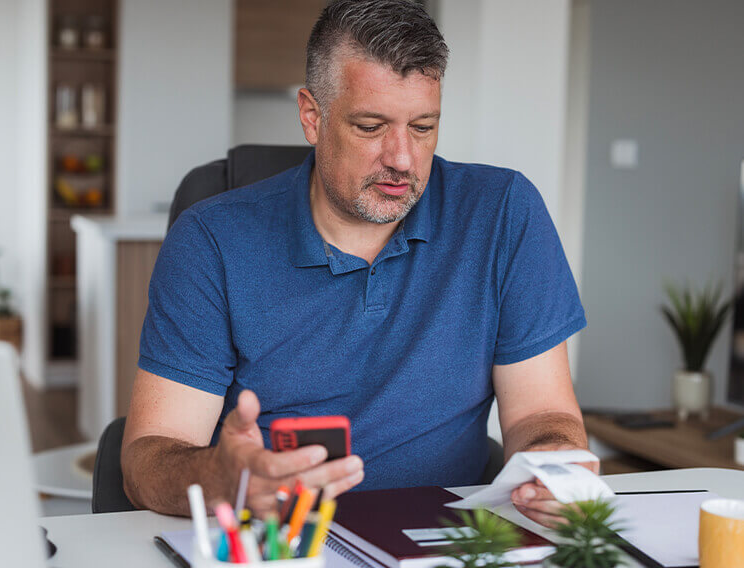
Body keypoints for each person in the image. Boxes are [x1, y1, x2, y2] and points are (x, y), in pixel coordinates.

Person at [121, 0, 593, 528]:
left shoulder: (503, 211)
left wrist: (552, 463)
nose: (402, 158)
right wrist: (221, 476)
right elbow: (147, 461)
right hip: (280, 543)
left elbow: (541, 413)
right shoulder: (212, 240)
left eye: (423, 127)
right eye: (371, 126)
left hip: (441, 539)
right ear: (312, 116)